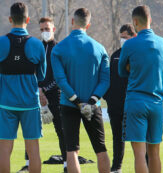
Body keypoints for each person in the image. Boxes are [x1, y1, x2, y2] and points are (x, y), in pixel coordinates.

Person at [51, 8, 110, 173]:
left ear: (72, 22)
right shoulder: (100, 48)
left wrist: (76, 100)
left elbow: (60, 81)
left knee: (71, 150)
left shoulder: (59, 49)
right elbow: (105, 81)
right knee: (100, 149)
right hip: (93, 105)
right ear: (88, 25)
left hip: (69, 105)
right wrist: (91, 101)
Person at [0, 2, 46, 173]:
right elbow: (42, 75)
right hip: (30, 103)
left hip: (6, 103)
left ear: (10, 19)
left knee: (5, 152)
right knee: (33, 151)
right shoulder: (37, 44)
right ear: (28, 19)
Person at [118, 5, 163, 173]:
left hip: (136, 101)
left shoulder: (130, 44)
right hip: (156, 103)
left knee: (139, 154)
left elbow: (121, 71)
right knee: (154, 153)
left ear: (134, 22)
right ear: (150, 20)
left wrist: (132, 68)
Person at [18, 17, 66, 173]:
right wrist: (38, 90)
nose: (45, 32)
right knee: (31, 130)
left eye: (47, 28)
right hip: (35, 95)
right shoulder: (35, 47)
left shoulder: (59, 48)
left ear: (53, 29)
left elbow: (60, 77)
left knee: (61, 130)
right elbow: (30, 71)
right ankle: (28, 164)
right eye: (42, 29)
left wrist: (45, 90)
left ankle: (66, 164)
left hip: (55, 95)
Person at [102, 23, 136, 173]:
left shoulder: (137, 56)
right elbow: (108, 79)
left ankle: (145, 166)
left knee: (137, 138)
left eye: (125, 37)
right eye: (121, 37)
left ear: (133, 36)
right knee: (117, 138)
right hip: (115, 106)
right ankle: (116, 168)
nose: (122, 40)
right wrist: (108, 98)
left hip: (133, 105)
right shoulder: (115, 55)